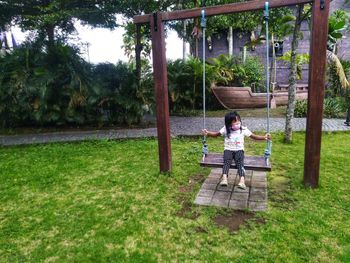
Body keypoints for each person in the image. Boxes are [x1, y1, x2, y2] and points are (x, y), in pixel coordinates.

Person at [202, 111, 271, 189]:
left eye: (238, 121)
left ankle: (242, 181)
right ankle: (224, 178)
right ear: (229, 124)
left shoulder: (243, 129)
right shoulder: (225, 129)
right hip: (228, 149)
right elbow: (216, 134)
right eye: (235, 122)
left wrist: (264, 137)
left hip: (239, 150)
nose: (237, 123)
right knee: (226, 162)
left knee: (240, 163)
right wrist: (207, 133)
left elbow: (254, 136)